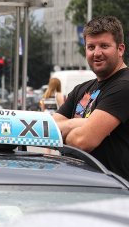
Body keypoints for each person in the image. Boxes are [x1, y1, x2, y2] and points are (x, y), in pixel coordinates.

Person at [53, 15, 129, 179]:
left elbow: (82, 141)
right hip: (82, 187)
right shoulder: (82, 89)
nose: (97, 53)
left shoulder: (124, 86)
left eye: (104, 46)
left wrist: (70, 128)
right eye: (91, 47)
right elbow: (50, 130)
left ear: (120, 49)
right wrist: (84, 123)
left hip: (114, 193)